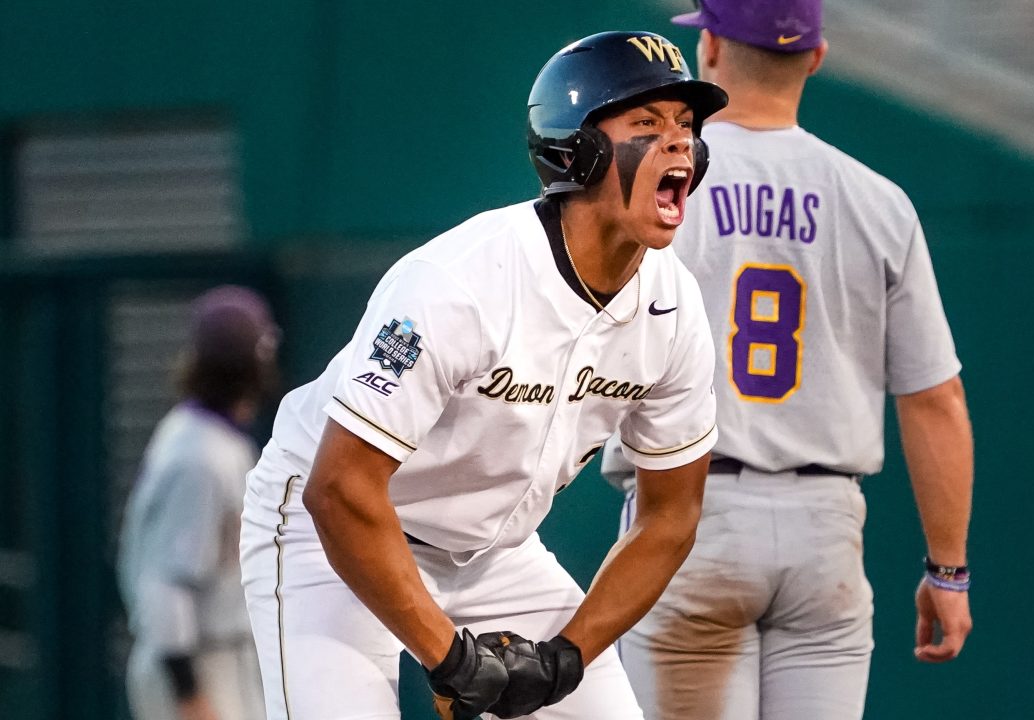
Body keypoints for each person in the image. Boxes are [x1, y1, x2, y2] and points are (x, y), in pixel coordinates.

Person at [238, 30, 728, 720]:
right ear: (574, 151)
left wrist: (564, 660)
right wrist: (453, 660)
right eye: (646, 123)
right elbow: (341, 489)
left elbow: (671, 517)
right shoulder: (458, 284)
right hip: (330, 536)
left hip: (494, 554)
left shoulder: (673, 308)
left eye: (686, 125)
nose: (680, 143)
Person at [602, 2, 975, 718]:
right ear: (817, 57)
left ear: (708, 48)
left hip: (686, 519)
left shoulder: (664, 187)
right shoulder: (880, 201)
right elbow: (936, 399)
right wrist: (948, 571)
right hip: (824, 531)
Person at [118, 286, 280, 720]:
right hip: (197, 665)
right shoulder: (201, 457)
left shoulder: (196, 432)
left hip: (217, 656)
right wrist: (190, 697)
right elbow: (165, 583)